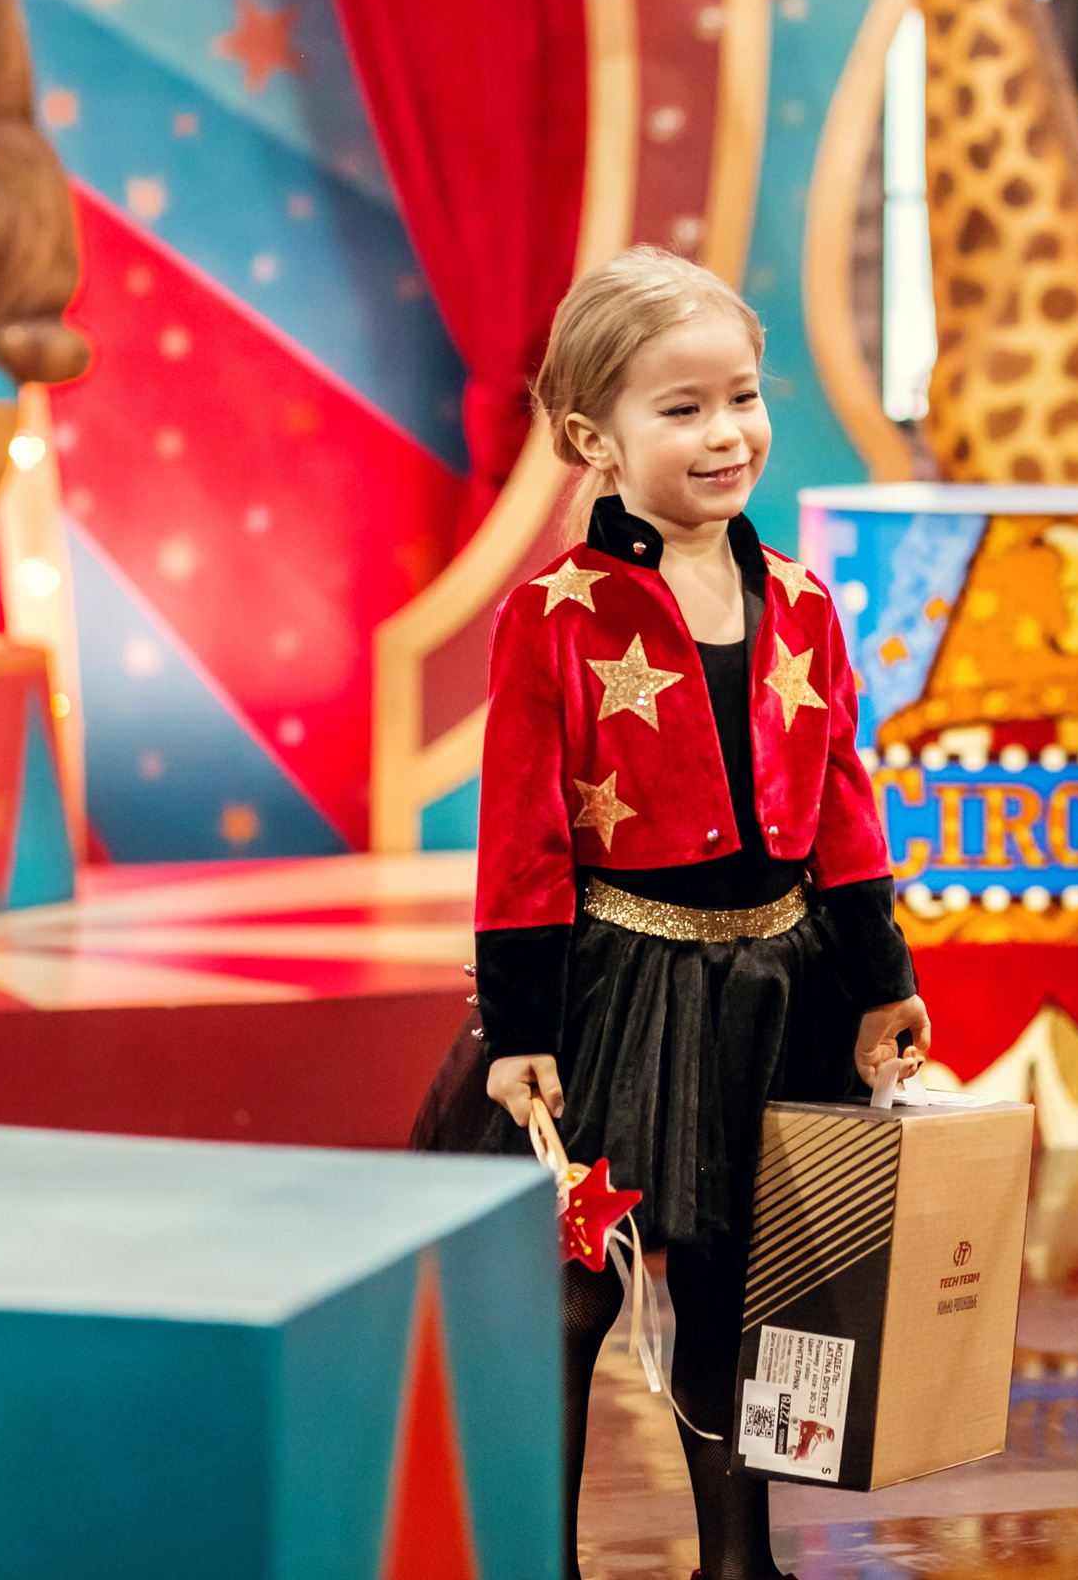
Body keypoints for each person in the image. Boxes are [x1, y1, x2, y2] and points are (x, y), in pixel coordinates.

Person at [452, 246, 930, 1580]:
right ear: (592, 436)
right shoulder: (554, 614)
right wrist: (519, 1025)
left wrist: (879, 978)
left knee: (738, 1288)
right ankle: (539, 1555)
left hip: (775, 994)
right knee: (575, 1291)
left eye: (743, 397)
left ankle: (741, 1559)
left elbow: (842, 803)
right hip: (621, 998)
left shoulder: (808, 603)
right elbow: (525, 842)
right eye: (683, 409)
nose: (727, 434)